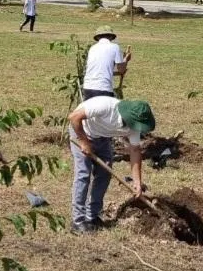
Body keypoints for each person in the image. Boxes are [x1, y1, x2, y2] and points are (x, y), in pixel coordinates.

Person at [67, 96, 156, 234]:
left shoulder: (133, 126)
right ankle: (78, 221)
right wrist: (84, 142)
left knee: (104, 174)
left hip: (102, 138)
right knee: (83, 174)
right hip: (81, 131)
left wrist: (137, 182)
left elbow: (135, 150)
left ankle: (92, 216)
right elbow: (73, 117)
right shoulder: (105, 106)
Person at [82, 26, 130, 99]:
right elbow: (121, 70)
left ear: (98, 37)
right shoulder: (115, 47)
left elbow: (101, 70)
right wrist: (126, 59)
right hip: (103, 88)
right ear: (111, 37)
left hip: (87, 88)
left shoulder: (92, 48)